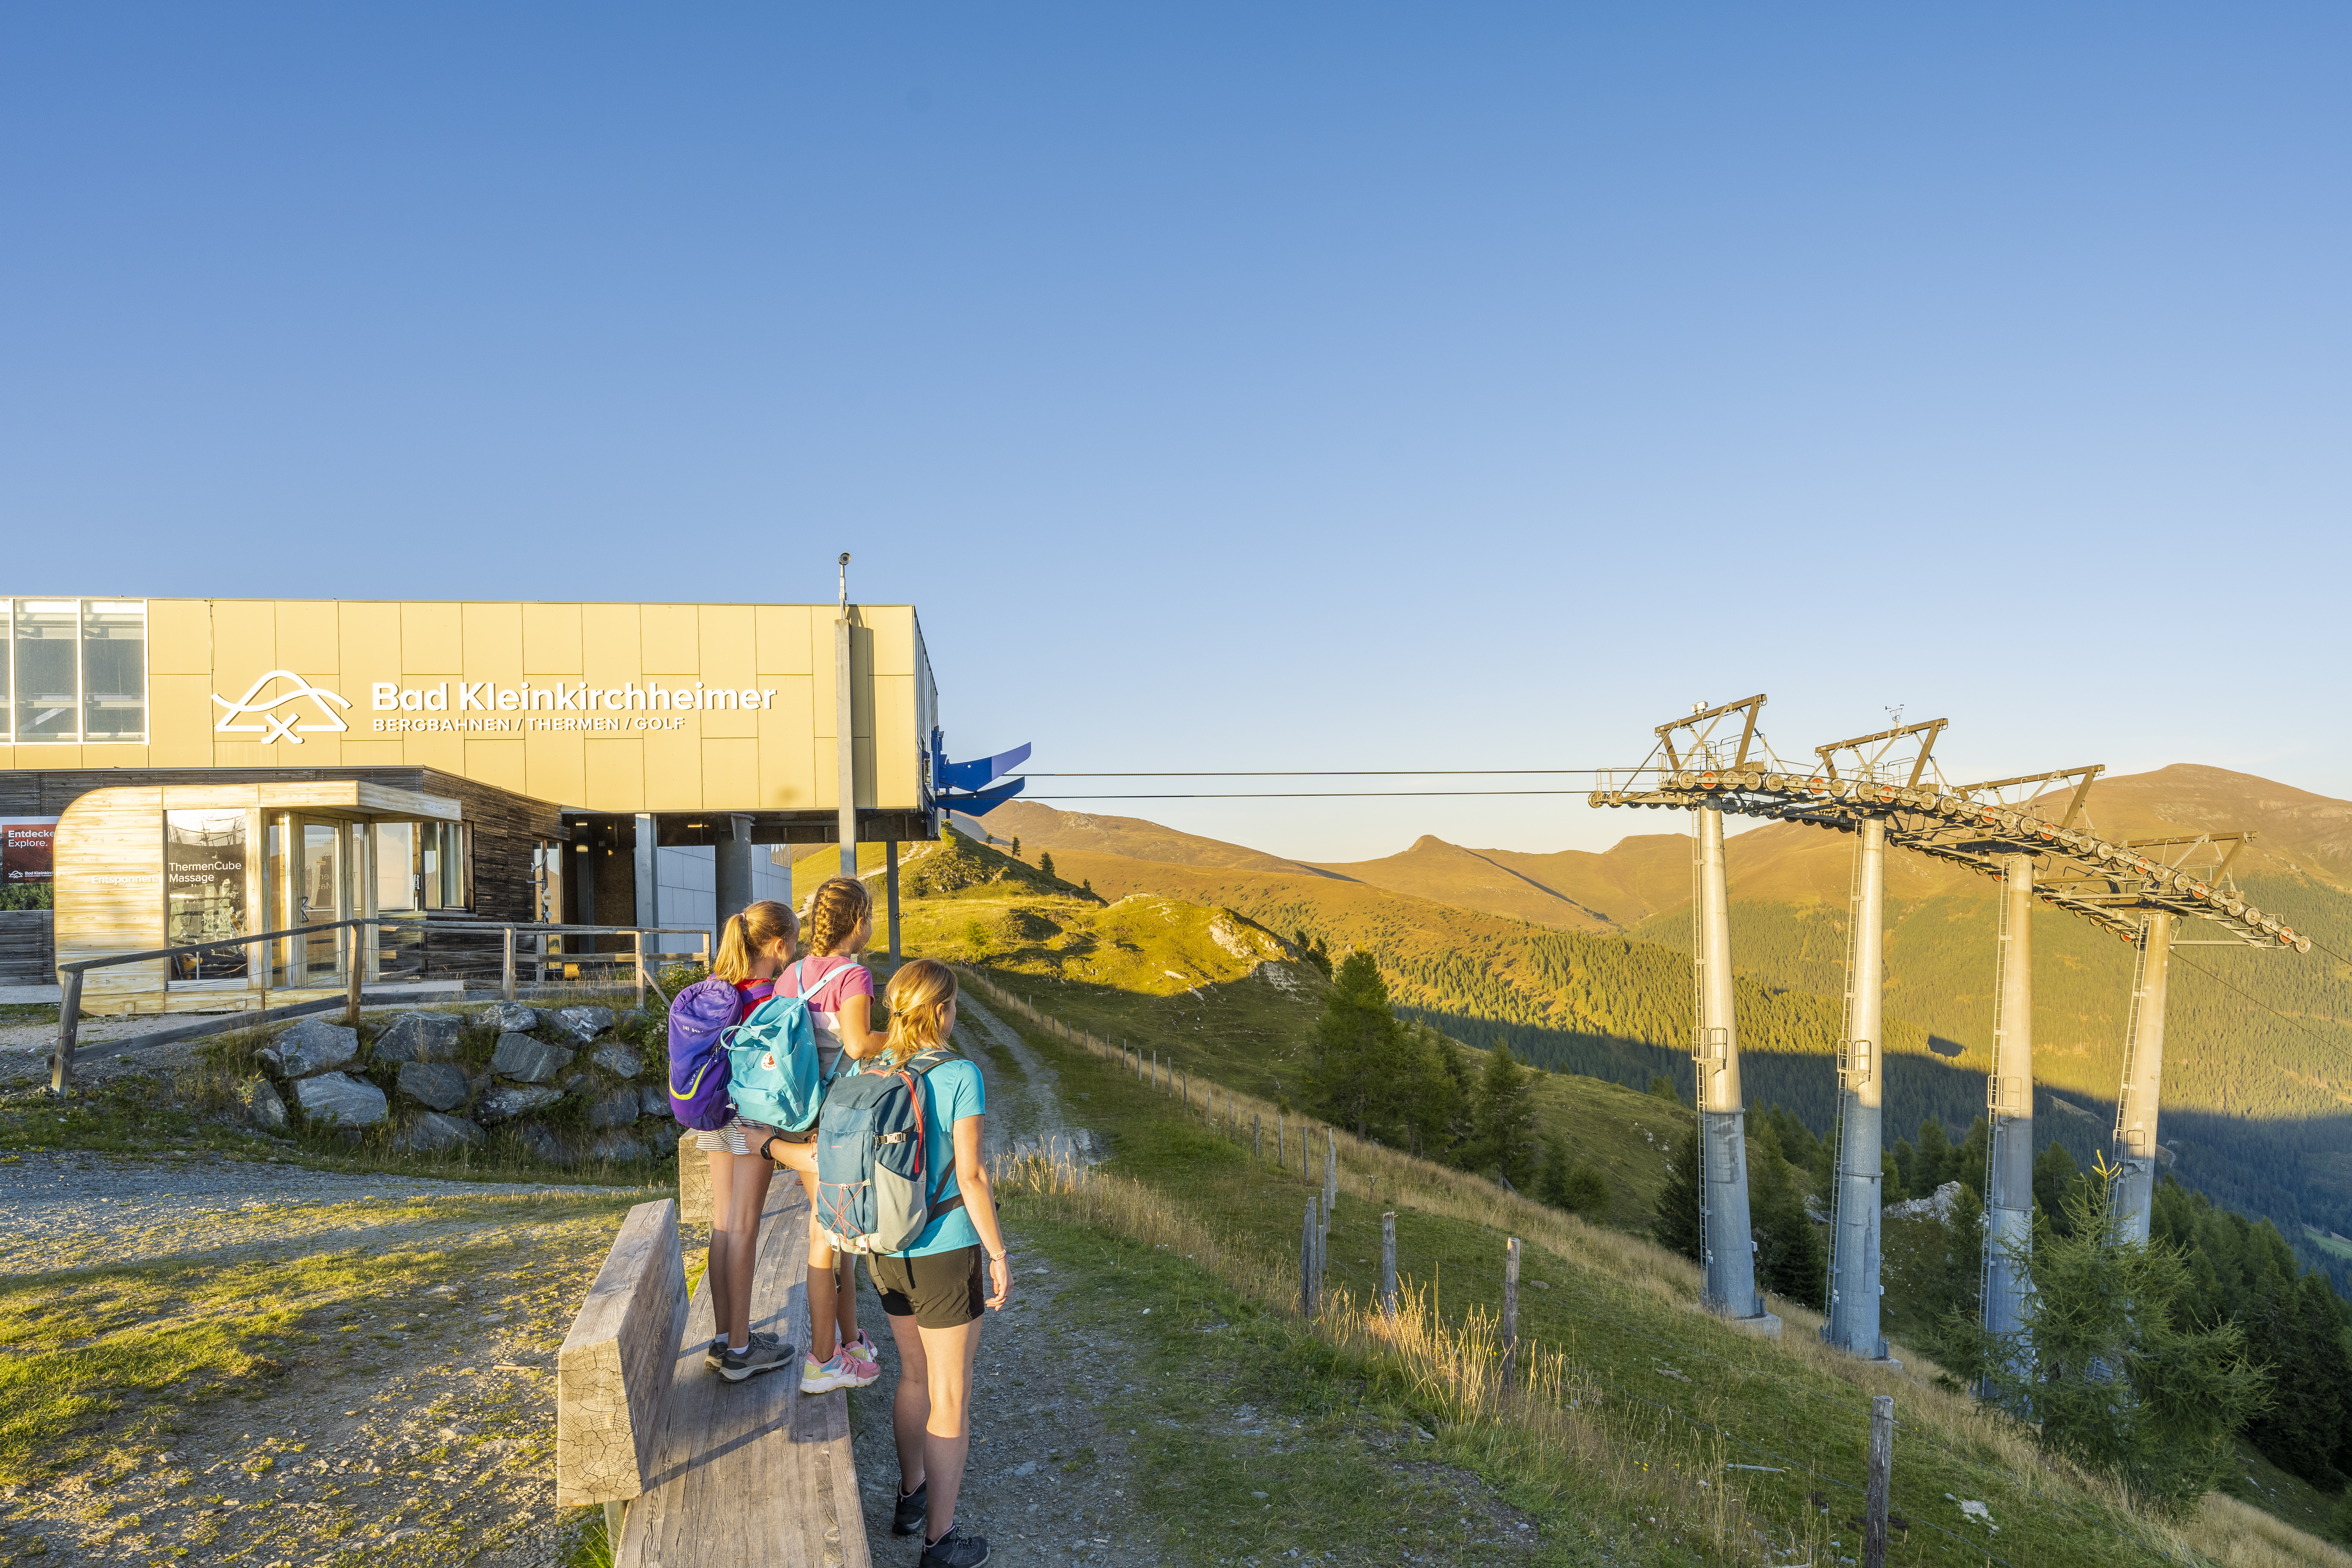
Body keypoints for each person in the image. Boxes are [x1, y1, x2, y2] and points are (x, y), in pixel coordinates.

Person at [859, 959, 1010, 1567]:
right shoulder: (959, 1073)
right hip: (945, 1249)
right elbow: (971, 1175)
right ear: (943, 1010)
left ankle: (910, 1497)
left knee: (913, 1377)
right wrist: (997, 1252)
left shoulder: (868, 1066)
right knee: (951, 1395)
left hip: (886, 1250)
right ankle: (940, 1544)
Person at [779, 876, 888, 1394]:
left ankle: (848, 1342)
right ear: (859, 919)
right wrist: (910, 1036)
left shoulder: (792, 974)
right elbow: (859, 1042)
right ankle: (822, 1359)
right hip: (837, 1121)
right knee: (827, 1238)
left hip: (797, 1114)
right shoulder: (854, 976)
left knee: (840, 1240)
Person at [699, 898, 802, 1382]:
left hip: (713, 1113)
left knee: (724, 1224)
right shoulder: (766, 1000)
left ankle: (724, 1338)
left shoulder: (721, 989)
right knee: (743, 1227)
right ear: (779, 945)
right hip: (751, 1122)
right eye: (794, 944)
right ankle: (741, 1350)